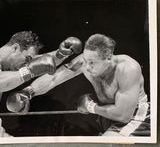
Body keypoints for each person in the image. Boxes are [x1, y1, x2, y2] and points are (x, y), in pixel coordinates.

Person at [8, 33, 150, 136]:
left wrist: (90, 107)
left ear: (108, 58)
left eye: (92, 62)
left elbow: (123, 115)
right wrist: (29, 91)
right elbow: (54, 78)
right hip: (106, 115)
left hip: (134, 116)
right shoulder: (84, 61)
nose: (86, 66)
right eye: (86, 60)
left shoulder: (127, 68)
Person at [0, 30, 82, 138]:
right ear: (15, 48)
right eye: (27, 58)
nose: (26, 64)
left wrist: (61, 54)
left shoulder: (10, 63)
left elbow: (43, 61)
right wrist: (29, 71)